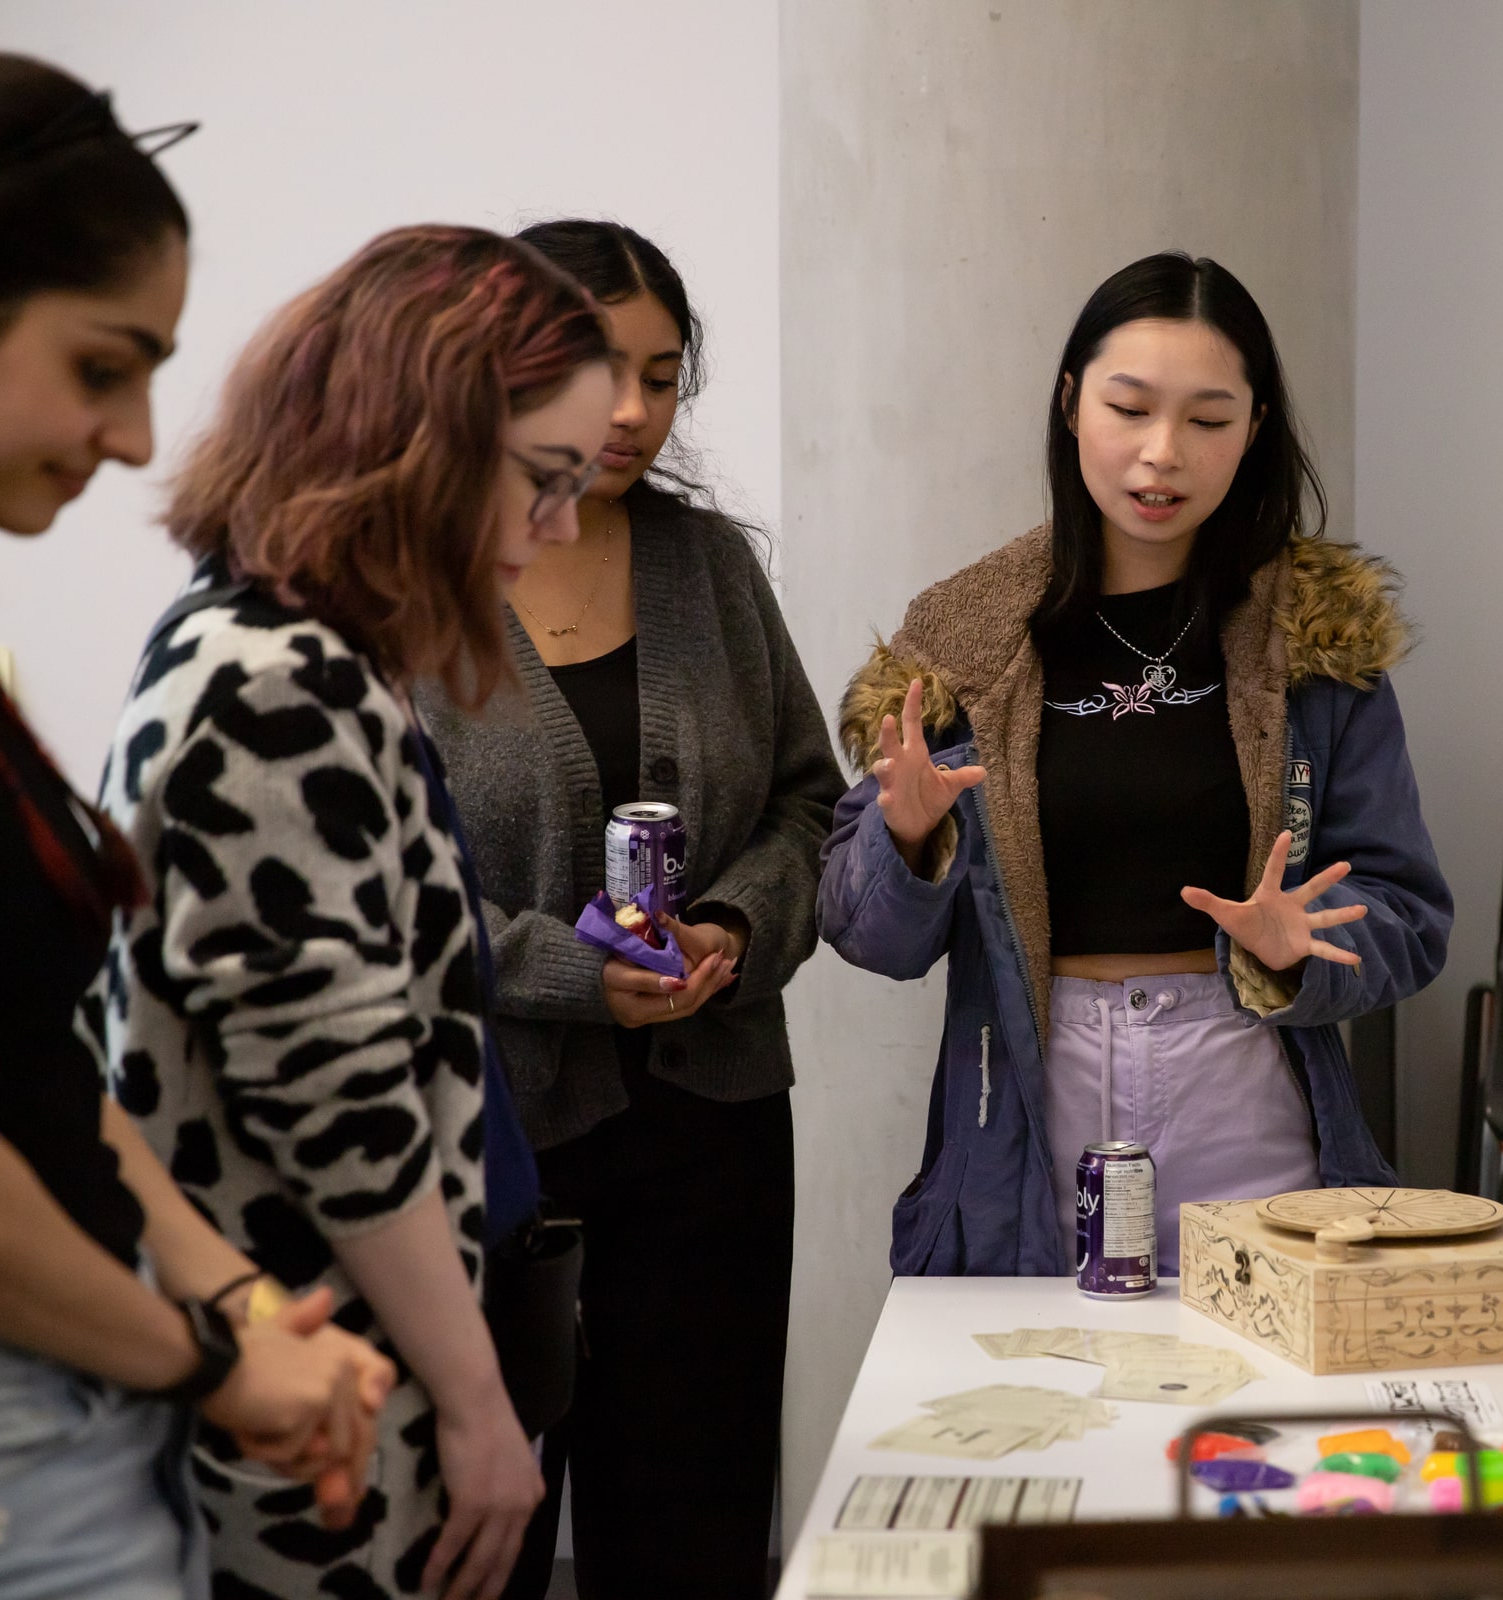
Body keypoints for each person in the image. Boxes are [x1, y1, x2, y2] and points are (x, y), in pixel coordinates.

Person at [0, 52, 391, 1600]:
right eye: (103, 367)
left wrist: (232, 1305)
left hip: (46, 1382)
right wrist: (211, 1360)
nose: (133, 435)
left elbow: (24, 1059)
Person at [94, 224, 615, 1600]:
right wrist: (480, 1401)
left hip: (334, 1348)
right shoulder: (280, 682)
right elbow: (341, 1111)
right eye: (544, 482)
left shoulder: (296, 653)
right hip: (325, 1372)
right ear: (420, 438)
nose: (557, 529)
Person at [819, 251, 1452, 1277]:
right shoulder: (968, 637)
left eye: (1208, 420)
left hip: (1242, 1083)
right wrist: (906, 838)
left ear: (1254, 431)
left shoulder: (1316, 641)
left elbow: (1411, 917)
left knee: (1254, 1417)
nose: (1163, 454)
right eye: (1130, 408)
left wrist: (1297, 945)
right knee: (1044, 1420)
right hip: (1035, 1089)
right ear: (1072, 405)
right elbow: (869, 937)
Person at [425, 219, 843, 1600]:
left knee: (696, 1530)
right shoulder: (408, 590)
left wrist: (730, 925)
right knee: (468, 1539)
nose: (632, 413)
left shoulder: (707, 565)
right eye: (600, 369)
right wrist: (562, 973)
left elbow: (804, 804)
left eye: (662, 377)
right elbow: (377, 896)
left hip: (713, 1126)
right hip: (494, 1144)